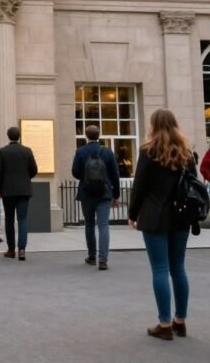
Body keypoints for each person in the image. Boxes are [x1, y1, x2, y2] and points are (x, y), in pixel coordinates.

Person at [128, 109, 197, 340]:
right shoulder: (187, 152)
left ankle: (164, 323)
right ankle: (180, 321)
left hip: (154, 216)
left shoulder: (148, 151)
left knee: (160, 269)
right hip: (181, 216)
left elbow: (139, 186)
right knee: (179, 268)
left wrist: (132, 213)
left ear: (153, 125)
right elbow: (192, 184)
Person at [71, 125, 121, 270]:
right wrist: (116, 194)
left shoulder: (80, 151)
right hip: (104, 193)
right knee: (103, 225)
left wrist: (85, 177)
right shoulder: (107, 152)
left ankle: (92, 256)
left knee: (89, 225)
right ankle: (103, 259)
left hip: (86, 193)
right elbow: (115, 174)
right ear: (99, 135)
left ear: (86, 135)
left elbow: (75, 172)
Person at [0, 126, 38, 261]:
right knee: (22, 219)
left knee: (9, 219)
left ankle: (11, 249)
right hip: (24, 190)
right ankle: (22, 249)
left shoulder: (3, 151)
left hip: (7, 190)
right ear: (19, 136)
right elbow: (34, 170)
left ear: (8, 136)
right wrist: (25, 178)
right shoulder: (27, 150)